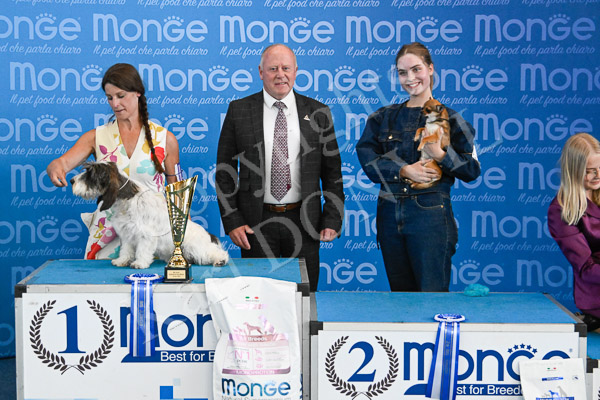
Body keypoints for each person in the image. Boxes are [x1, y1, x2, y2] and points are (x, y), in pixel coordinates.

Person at [215, 44, 344, 292]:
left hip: (305, 222)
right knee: (258, 299)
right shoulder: (239, 110)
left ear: (296, 71)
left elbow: (332, 174)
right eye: (273, 68)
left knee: (304, 297)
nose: (280, 74)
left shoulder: (318, 112)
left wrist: (332, 217)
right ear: (260, 72)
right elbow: (224, 172)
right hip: (255, 224)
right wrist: (232, 220)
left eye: (286, 68)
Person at [356, 42, 480, 292]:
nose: (410, 78)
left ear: (430, 69)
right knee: (401, 299)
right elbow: (368, 160)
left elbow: (471, 170)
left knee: (431, 296)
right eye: (403, 73)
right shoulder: (382, 118)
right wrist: (403, 170)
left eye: (416, 69)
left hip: (430, 217)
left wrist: (441, 154)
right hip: (389, 216)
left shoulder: (452, 118)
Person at [47, 63, 181, 260]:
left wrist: (182, 230)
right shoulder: (96, 137)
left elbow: (177, 191)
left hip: (152, 237)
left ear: (137, 93)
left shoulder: (165, 139)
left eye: (120, 96)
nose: (115, 104)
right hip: (108, 235)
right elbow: (62, 163)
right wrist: (55, 167)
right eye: (109, 98)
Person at [547, 133, 600, 333]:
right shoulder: (560, 210)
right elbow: (587, 269)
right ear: (574, 170)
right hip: (595, 298)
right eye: (590, 171)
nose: (598, 175)